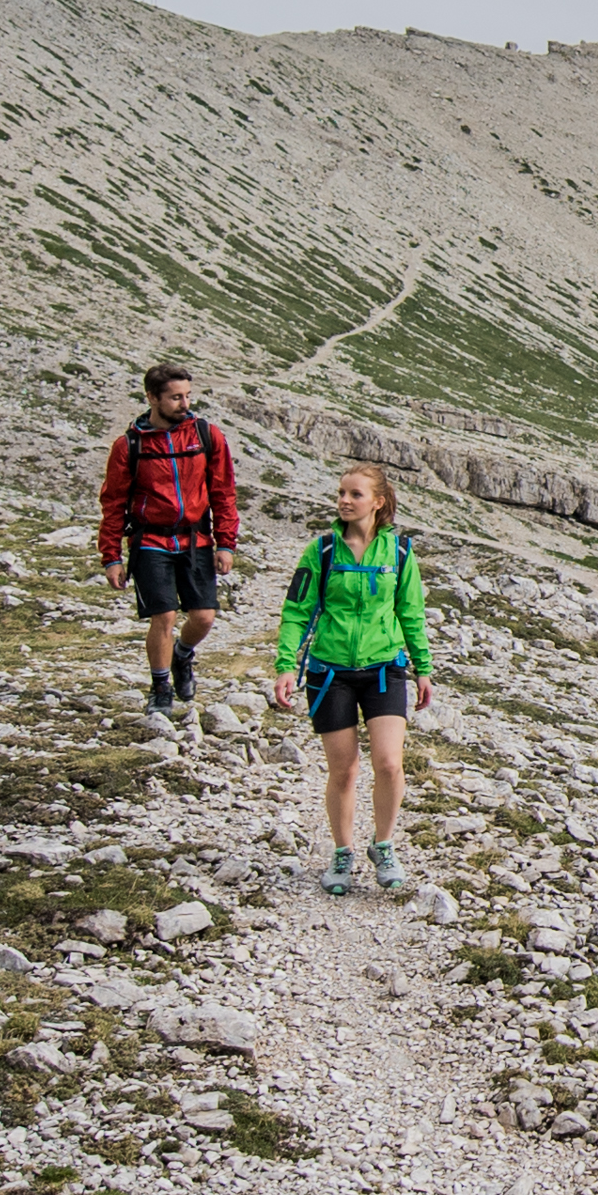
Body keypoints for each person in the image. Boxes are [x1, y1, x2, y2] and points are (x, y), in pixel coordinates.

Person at [269, 458, 434, 894]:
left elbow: (411, 613)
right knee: (343, 770)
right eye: (341, 493)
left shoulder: (400, 553)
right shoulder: (321, 550)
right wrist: (286, 665)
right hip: (330, 672)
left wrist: (423, 668)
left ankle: (383, 845)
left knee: (389, 763)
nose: (344, 500)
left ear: (377, 503)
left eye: (354, 494)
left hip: (385, 669)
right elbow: (296, 610)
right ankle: (342, 853)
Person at [94, 361, 243, 718]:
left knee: (204, 616)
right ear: (152, 398)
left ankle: (182, 656)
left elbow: (224, 491)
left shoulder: (207, 435)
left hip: (196, 540)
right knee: (162, 616)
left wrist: (226, 542)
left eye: (188, 396)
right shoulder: (129, 445)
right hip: (149, 542)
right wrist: (110, 555)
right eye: (176, 397)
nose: (184, 404)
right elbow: (113, 502)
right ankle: (160, 687)